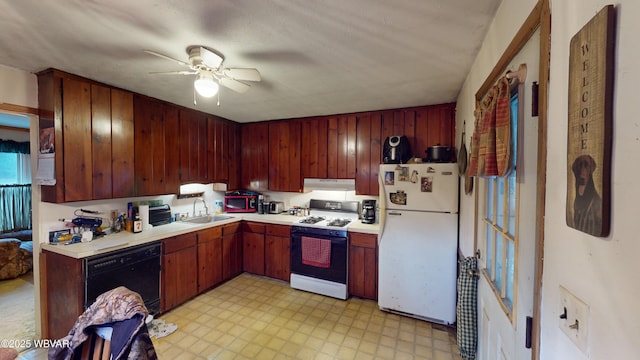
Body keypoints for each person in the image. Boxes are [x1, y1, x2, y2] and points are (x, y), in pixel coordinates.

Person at [571, 154, 602, 235]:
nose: (582, 171)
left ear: (590, 170)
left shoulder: (596, 202)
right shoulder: (577, 200)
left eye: (586, 166)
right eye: (580, 166)